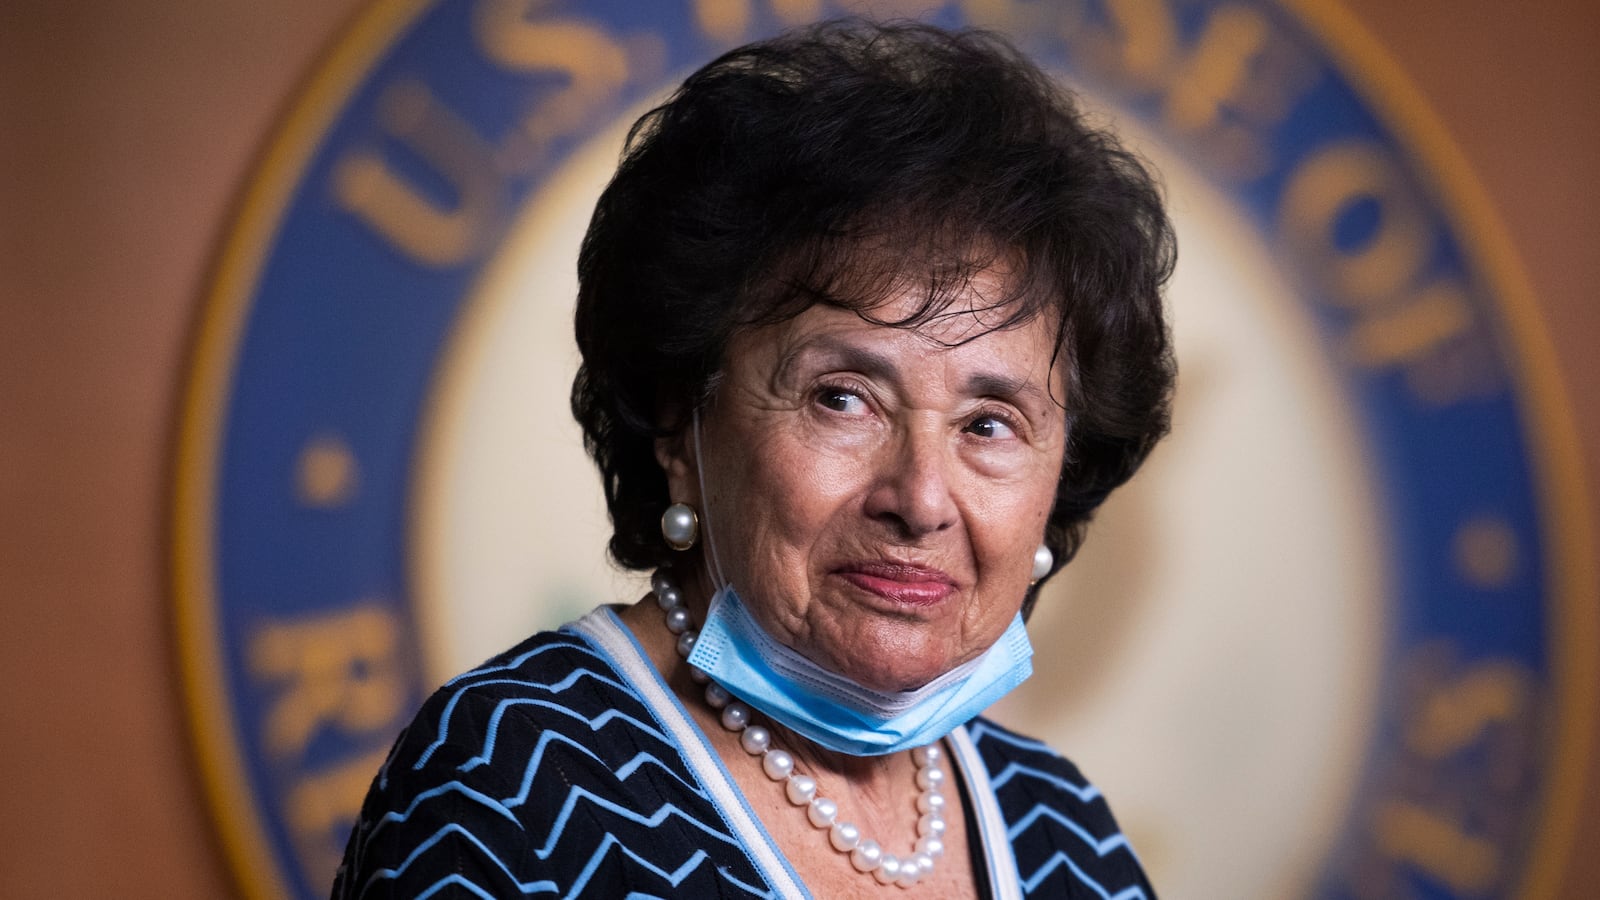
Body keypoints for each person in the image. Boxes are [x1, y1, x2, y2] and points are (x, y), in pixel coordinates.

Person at [334, 18, 1174, 899]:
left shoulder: (1064, 833)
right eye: (842, 397)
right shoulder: (507, 785)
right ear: (679, 425)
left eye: (989, 423)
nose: (922, 498)